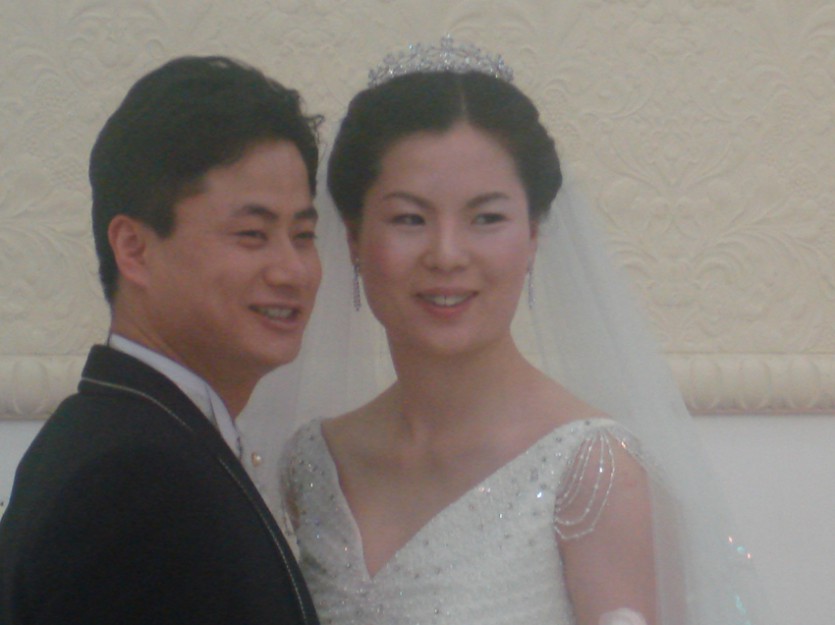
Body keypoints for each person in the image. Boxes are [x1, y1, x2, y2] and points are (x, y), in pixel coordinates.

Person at [275, 39, 765, 625]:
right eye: (409, 218)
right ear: (354, 237)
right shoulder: (314, 466)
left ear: (533, 235)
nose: (447, 254)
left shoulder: (592, 474)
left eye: (486, 218)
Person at [0, 56, 323, 625]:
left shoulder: (139, 433)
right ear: (134, 249)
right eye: (253, 234)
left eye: (303, 234)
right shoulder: (133, 480)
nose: (292, 270)